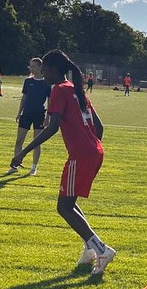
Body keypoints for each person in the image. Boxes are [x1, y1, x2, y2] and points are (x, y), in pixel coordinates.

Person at [11, 49, 116, 275]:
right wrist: (91, 145)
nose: (43, 74)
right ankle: (90, 249)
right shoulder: (76, 89)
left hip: (81, 155)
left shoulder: (59, 89)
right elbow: (99, 127)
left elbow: (52, 127)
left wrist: (24, 152)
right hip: (95, 151)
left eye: (45, 69)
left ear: (54, 69)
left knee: (64, 207)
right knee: (70, 203)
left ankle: (101, 249)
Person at [9, 58, 51, 176]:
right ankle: (14, 166)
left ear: (40, 67)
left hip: (39, 114)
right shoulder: (28, 81)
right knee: (19, 141)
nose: (31, 68)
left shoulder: (46, 83)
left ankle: (33, 167)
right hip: (26, 114)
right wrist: (19, 113)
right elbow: (24, 98)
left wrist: (48, 118)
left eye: (34, 66)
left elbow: (50, 101)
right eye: (30, 66)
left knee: (36, 142)